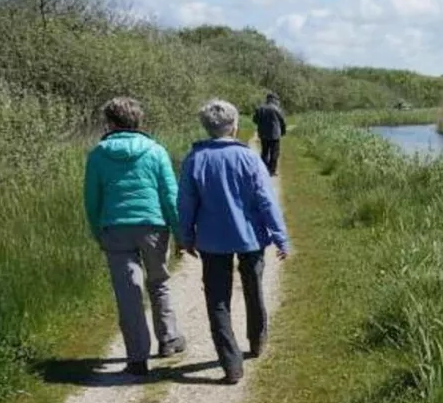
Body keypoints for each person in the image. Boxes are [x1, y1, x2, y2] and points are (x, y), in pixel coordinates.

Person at [179, 99, 290, 385]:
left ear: (206, 127)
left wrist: (186, 236)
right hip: (250, 238)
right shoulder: (249, 158)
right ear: (235, 126)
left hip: (211, 241)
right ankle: (257, 340)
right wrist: (280, 237)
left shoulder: (195, 159)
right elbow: (266, 201)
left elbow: (186, 203)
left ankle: (231, 364)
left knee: (217, 301)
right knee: (254, 289)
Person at [84, 97, 185, 378]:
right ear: (138, 121)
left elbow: (92, 200)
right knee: (159, 282)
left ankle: (137, 357)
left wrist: (98, 232)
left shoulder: (98, 154)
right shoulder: (155, 151)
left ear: (110, 123)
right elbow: (170, 197)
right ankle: (168, 339)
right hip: (153, 226)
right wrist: (180, 234)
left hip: (115, 228)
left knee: (128, 293)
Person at [252, 91, 287, 177]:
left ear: (267, 99)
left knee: (264, 152)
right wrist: (283, 131)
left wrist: (261, 124)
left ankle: (264, 169)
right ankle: (272, 170)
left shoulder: (260, 108)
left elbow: (255, 120)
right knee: (274, 153)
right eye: (276, 99)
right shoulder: (277, 109)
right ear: (273, 99)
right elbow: (282, 121)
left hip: (263, 134)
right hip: (275, 135)